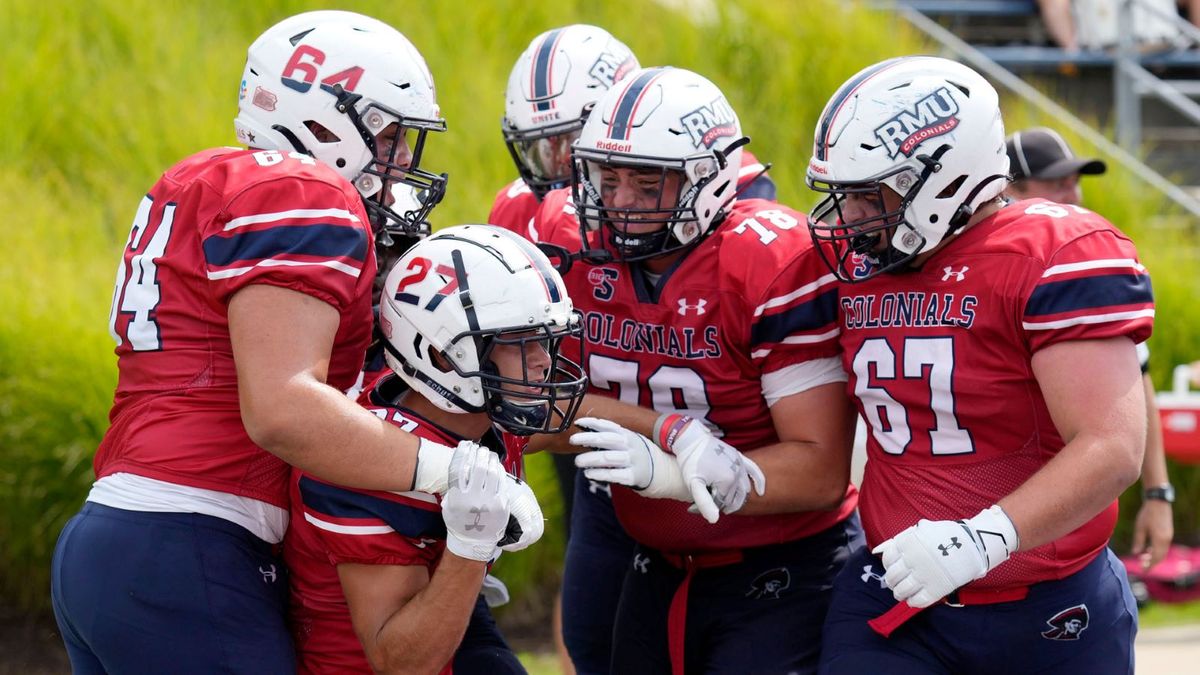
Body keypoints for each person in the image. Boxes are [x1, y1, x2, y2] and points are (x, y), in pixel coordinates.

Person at [48, 12, 536, 674]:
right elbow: (283, 409)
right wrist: (460, 479)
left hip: (121, 537)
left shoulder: (203, 176)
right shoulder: (304, 191)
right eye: (390, 137)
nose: (399, 164)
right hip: (195, 540)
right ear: (326, 118)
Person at [806, 56, 1152, 673]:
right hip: (896, 596)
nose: (850, 218)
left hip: (1052, 608)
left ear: (942, 177)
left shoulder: (1051, 252)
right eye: (843, 196)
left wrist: (982, 538)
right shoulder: (857, 269)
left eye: (867, 195)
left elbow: (1110, 446)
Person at [531, 66, 862, 675]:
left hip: (781, 565)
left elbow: (819, 470)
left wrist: (681, 478)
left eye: (646, 182)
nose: (620, 201)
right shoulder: (565, 238)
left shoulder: (769, 258)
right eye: (608, 177)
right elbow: (529, 414)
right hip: (653, 557)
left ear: (707, 181)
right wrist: (667, 435)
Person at [285, 224, 588, 673]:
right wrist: (471, 544)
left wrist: (668, 436)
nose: (544, 360)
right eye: (520, 342)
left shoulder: (464, 406)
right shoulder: (369, 473)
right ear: (444, 356)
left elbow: (566, 421)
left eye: (544, 338)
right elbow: (400, 661)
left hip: (455, 629)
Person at [1007, 126, 1174, 570]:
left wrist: (1159, 494)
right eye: (1057, 181)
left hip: (1070, 520)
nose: (1073, 192)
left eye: (1074, 180)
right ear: (1010, 188)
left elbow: (1136, 386)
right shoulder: (981, 267)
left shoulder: (1090, 260)